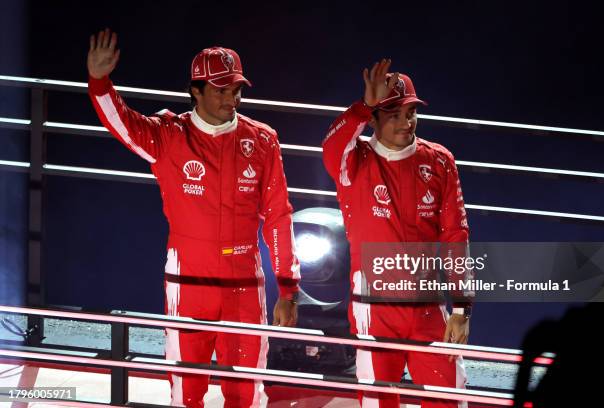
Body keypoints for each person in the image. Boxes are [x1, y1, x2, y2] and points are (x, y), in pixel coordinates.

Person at [87, 28, 301, 407]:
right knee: (186, 391)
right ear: (195, 91)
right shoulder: (169, 134)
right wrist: (100, 83)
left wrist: (287, 288)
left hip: (244, 283)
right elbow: (122, 124)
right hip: (186, 280)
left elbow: (279, 216)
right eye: (220, 90)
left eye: (236, 89)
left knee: (247, 391)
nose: (231, 98)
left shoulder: (263, 139)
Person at [322, 59, 472, 408]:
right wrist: (362, 107)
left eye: (411, 112)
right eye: (393, 114)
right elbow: (330, 147)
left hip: (427, 305)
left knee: (449, 399)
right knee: (377, 402)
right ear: (373, 119)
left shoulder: (439, 161)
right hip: (374, 309)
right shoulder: (354, 161)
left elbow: (456, 234)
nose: (406, 122)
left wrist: (462, 306)